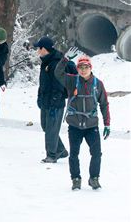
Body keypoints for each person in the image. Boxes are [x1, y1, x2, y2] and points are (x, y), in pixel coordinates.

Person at [55, 48, 110, 191]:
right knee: (74, 154)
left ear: (90, 68)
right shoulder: (71, 81)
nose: (83, 70)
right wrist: (65, 59)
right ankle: (76, 179)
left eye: (86, 67)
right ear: (78, 69)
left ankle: (94, 178)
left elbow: (104, 104)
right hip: (74, 125)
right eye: (80, 67)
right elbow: (57, 73)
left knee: (96, 153)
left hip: (92, 125)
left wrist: (107, 124)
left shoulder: (98, 84)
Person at [34, 36, 74, 163]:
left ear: (44, 49)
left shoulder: (56, 62)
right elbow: (44, 83)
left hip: (55, 102)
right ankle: (60, 150)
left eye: (38, 48)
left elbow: (58, 84)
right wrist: (40, 96)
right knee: (46, 126)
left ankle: (51, 154)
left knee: (51, 128)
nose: (37, 51)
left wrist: (55, 99)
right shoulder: (46, 61)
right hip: (45, 100)